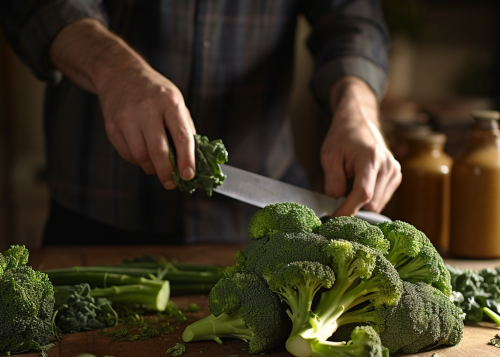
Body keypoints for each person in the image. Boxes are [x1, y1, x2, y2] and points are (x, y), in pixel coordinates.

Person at [0, 1, 401, 245]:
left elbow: (353, 18)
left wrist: (357, 108)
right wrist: (112, 68)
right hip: (97, 205)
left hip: (256, 225)